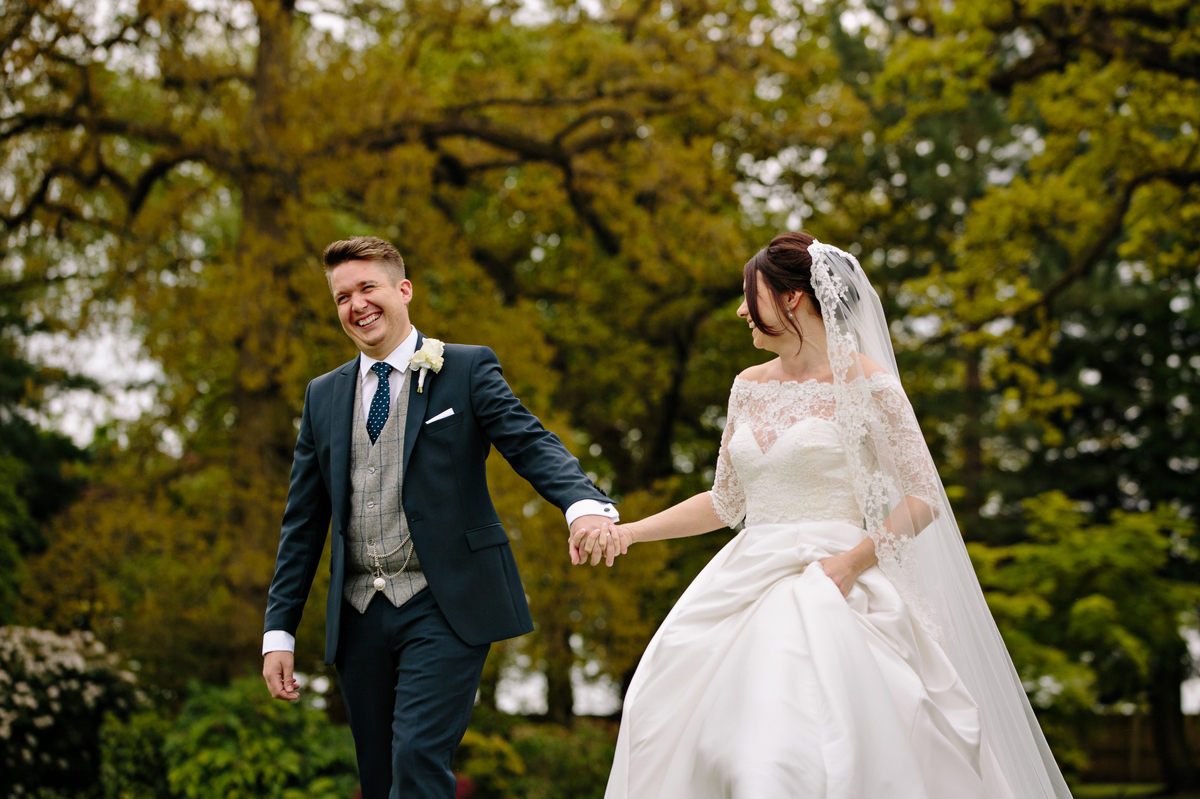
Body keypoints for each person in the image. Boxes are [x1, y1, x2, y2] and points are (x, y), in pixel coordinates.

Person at [572, 233, 1073, 799]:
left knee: (790, 746)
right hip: (746, 574)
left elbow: (923, 495)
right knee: (670, 705)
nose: (741, 310)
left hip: (834, 576)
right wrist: (630, 532)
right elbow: (726, 502)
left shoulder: (869, 383)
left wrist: (853, 564)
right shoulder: (747, 387)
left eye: (750, 295)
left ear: (791, 299)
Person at [262, 236, 619, 799]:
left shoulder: (466, 369)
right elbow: (302, 522)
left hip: (444, 603)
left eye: (367, 288)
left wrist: (581, 505)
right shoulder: (322, 396)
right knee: (378, 778)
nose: (356, 305)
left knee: (418, 757)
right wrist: (278, 630)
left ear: (403, 290)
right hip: (358, 614)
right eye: (342, 296)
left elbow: (530, 443)